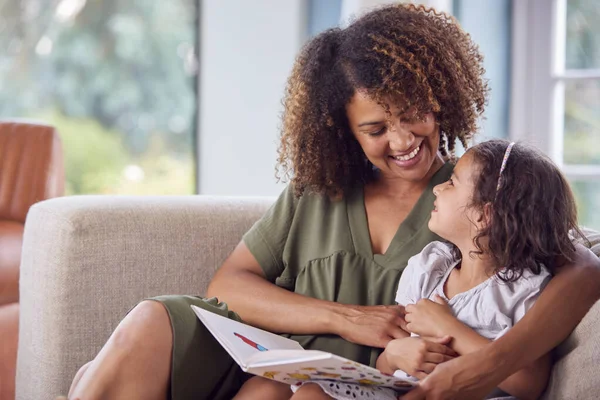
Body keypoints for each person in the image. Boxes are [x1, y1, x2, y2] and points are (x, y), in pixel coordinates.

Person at [66, 4, 600, 400]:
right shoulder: (318, 189)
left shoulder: (473, 198)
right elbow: (228, 285)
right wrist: (347, 318)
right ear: (343, 131)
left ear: (440, 98)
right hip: (263, 352)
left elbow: (580, 264)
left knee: (279, 396)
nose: (401, 140)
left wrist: (476, 362)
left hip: (341, 384)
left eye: (413, 112)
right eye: (375, 128)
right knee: (150, 321)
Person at [278, 140, 580, 400]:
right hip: (403, 392)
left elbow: (529, 382)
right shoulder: (430, 267)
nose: (437, 188)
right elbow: (391, 361)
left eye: (452, 183)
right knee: (310, 393)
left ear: (484, 215)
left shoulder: (523, 289)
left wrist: (449, 328)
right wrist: (393, 356)